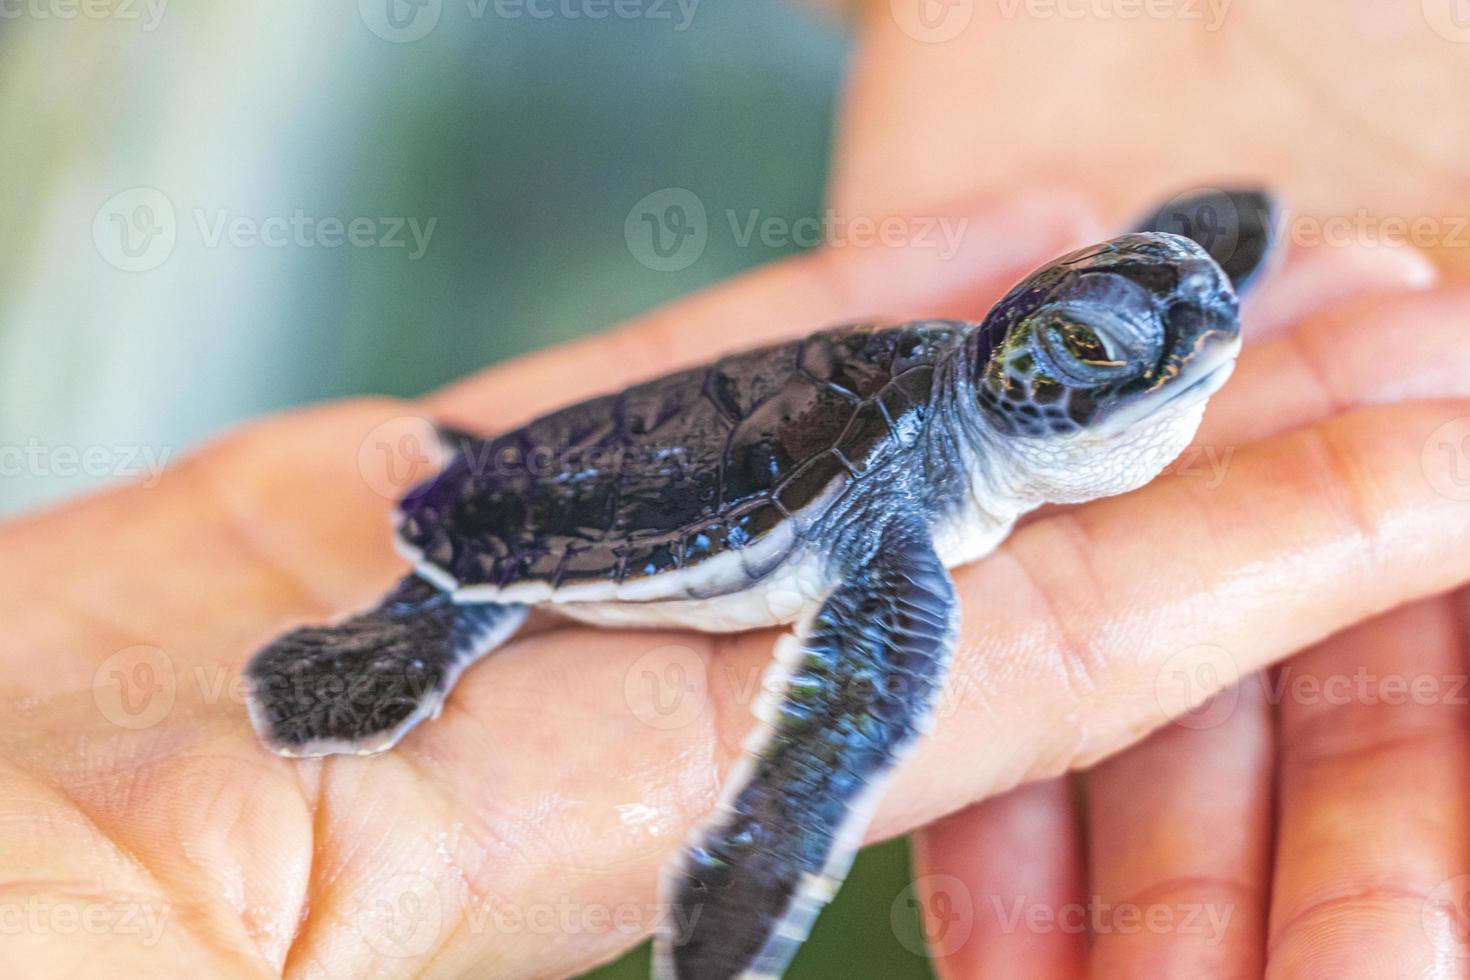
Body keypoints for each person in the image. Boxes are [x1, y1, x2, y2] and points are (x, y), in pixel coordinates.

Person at [8, 5, 1470, 976]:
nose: (1178, 332)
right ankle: (423, 619)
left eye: (1181, 307)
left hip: (731, 420)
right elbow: (844, 723)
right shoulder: (900, 514)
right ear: (1015, 376)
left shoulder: (1038, 365)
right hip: (551, 507)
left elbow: (1172, 292)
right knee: (833, 696)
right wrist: (747, 888)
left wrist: (1192, 241)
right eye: (1090, 340)